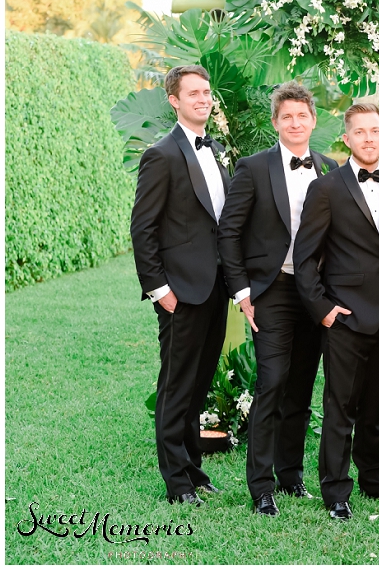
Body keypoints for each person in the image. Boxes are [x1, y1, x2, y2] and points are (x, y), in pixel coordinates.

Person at [217, 82, 338, 516]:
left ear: (312, 120)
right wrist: (243, 291)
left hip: (315, 294)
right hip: (271, 290)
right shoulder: (252, 168)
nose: (294, 123)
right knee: (271, 384)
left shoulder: (329, 167)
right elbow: (229, 232)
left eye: (301, 115)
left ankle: (291, 477)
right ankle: (261, 487)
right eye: (286, 116)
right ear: (276, 122)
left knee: (302, 388)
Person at [293, 103, 379, 521]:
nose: (369, 138)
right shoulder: (326, 189)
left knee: (377, 403)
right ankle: (335, 489)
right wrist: (323, 310)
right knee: (340, 405)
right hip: (343, 315)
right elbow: (305, 257)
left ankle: (373, 477)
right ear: (346, 139)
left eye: (375, 131)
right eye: (360, 132)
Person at [130, 64, 229, 505]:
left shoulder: (216, 149)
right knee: (175, 386)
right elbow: (143, 229)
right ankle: (176, 481)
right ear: (174, 100)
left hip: (216, 289)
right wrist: (159, 289)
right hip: (180, 293)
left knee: (199, 382)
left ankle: (193, 464)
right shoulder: (162, 154)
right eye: (193, 93)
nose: (202, 99)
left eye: (206, 92)